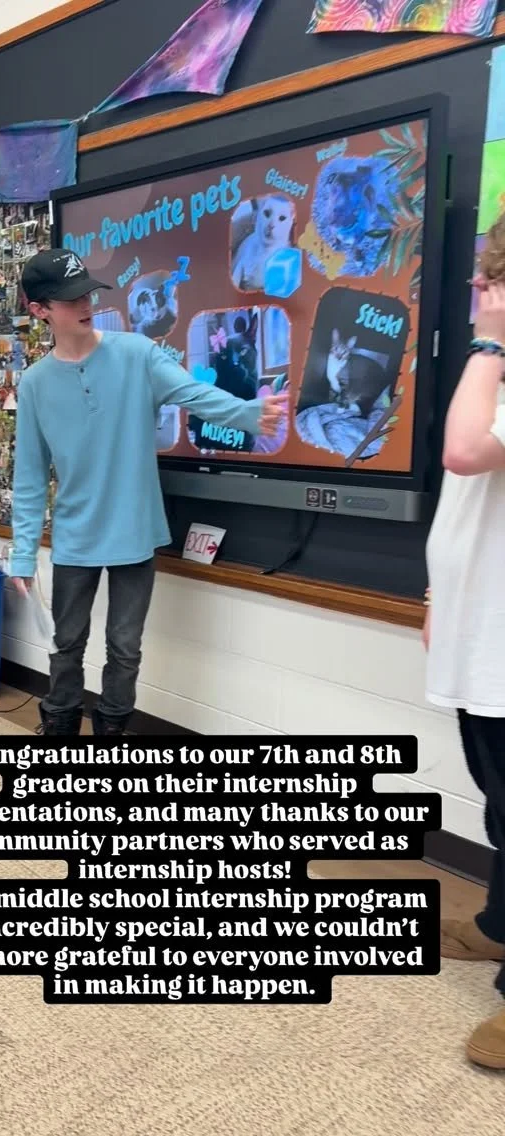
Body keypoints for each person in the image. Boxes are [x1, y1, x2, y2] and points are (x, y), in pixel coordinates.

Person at [9, 248, 288, 738]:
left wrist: (247, 413)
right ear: (40, 309)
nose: (86, 303)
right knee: (66, 643)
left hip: (134, 532)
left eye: (88, 293)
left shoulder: (137, 354)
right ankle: (59, 730)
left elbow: (194, 394)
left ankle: (112, 736)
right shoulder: (34, 384)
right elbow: (30, 477)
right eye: (71, 298)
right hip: (75, 536)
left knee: (125, 648)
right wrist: (23, 554)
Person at [424, 224, 505, 1069]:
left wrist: (489, 343)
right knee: (499, 799)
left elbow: (464, 452)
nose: (477, 292)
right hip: (480, 630)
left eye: (492, 277)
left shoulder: (494, 362)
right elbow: (468, 502)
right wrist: (437, 596)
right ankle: (499, 925)